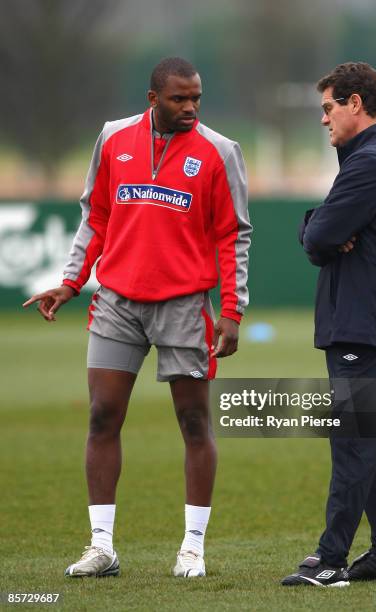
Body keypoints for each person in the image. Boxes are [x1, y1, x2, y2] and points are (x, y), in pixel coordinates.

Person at [23, 57, 251, 579]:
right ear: (153, 99)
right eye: (179, 99)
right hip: (118, 302)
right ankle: (101, 547)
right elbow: (96, 214)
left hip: (184, 305)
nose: (190, 107)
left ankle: (192, 547)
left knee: (194, 422)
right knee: (103, 415)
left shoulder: (220, 151)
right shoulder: (113, 138)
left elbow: (233, 235)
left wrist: (232, 312)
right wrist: (71, 281)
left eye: (196, 97)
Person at [282, 62, 376, 587]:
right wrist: (320, 226)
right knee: (375, 441)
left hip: (364, 323)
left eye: (329, 106)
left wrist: (316, 226)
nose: (324, 119)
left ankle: (332, 559)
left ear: (356, 103)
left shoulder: (372, 162)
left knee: (355, 441)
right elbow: (323, 234)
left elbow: (319, 238)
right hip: (371, 322)